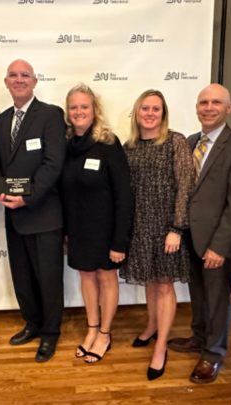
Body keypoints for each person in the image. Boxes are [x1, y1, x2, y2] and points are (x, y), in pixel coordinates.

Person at [166, 84, 231, 384]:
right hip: (191, 236)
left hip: (218, 241)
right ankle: (199, 337)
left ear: (228, 108)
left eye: (216, 102)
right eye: (203, 102)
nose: (209, 107)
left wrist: (219, 246)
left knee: (217, 299)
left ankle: (213, 354)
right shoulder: (190, 142)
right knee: (198, 293)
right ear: (196, 107)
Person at [0, 59, 67, 363]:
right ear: (6, 82)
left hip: (43, 213)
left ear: (34, 82)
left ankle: (50, 333)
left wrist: (28, 197)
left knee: (48, 278)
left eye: (25, 75)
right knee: (22, 276)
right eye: (13, 75)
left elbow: (53, 164)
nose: (19, 80)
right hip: (12, 214)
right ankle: (32, 324)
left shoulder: (50, 114)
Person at [122, 89, 194, 380]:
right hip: (140, 227)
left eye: (156, 109)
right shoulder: (129, 147)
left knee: (164, 285)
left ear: (163, 114)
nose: (150, 113)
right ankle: (152, 326)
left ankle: (161, 346)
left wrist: (177, 228)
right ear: (137, 113)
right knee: (150, 282)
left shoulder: (175, 141)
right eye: (145, 108)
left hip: (167, 228)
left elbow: (186, 185)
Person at [60, 84, 132, 364]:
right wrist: (66, 231)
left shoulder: (108, 142)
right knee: (86, 277)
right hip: (78, 229)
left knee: (106, 277)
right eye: (74, 107)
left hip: (106, 229)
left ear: (94, 110)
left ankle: (105, 333)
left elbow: (123, 194)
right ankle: (91, 328)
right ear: (68, 112)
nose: (79, 112)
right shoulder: (66, 145)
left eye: (84, 107)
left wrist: (119, 241)